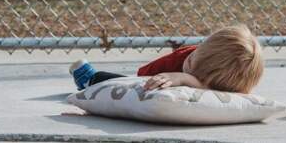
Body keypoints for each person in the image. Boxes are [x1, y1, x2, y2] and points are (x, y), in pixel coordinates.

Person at [69, 24, 264, 94]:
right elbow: (141, 78)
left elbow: (237, 94)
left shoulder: (229, 77)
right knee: (115, 81)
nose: (191, 57)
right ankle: (89, 79)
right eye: (197, 51)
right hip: (148, 77)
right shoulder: (183, 58)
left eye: (193, 65)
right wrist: (184, 75)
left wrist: (187, 79)